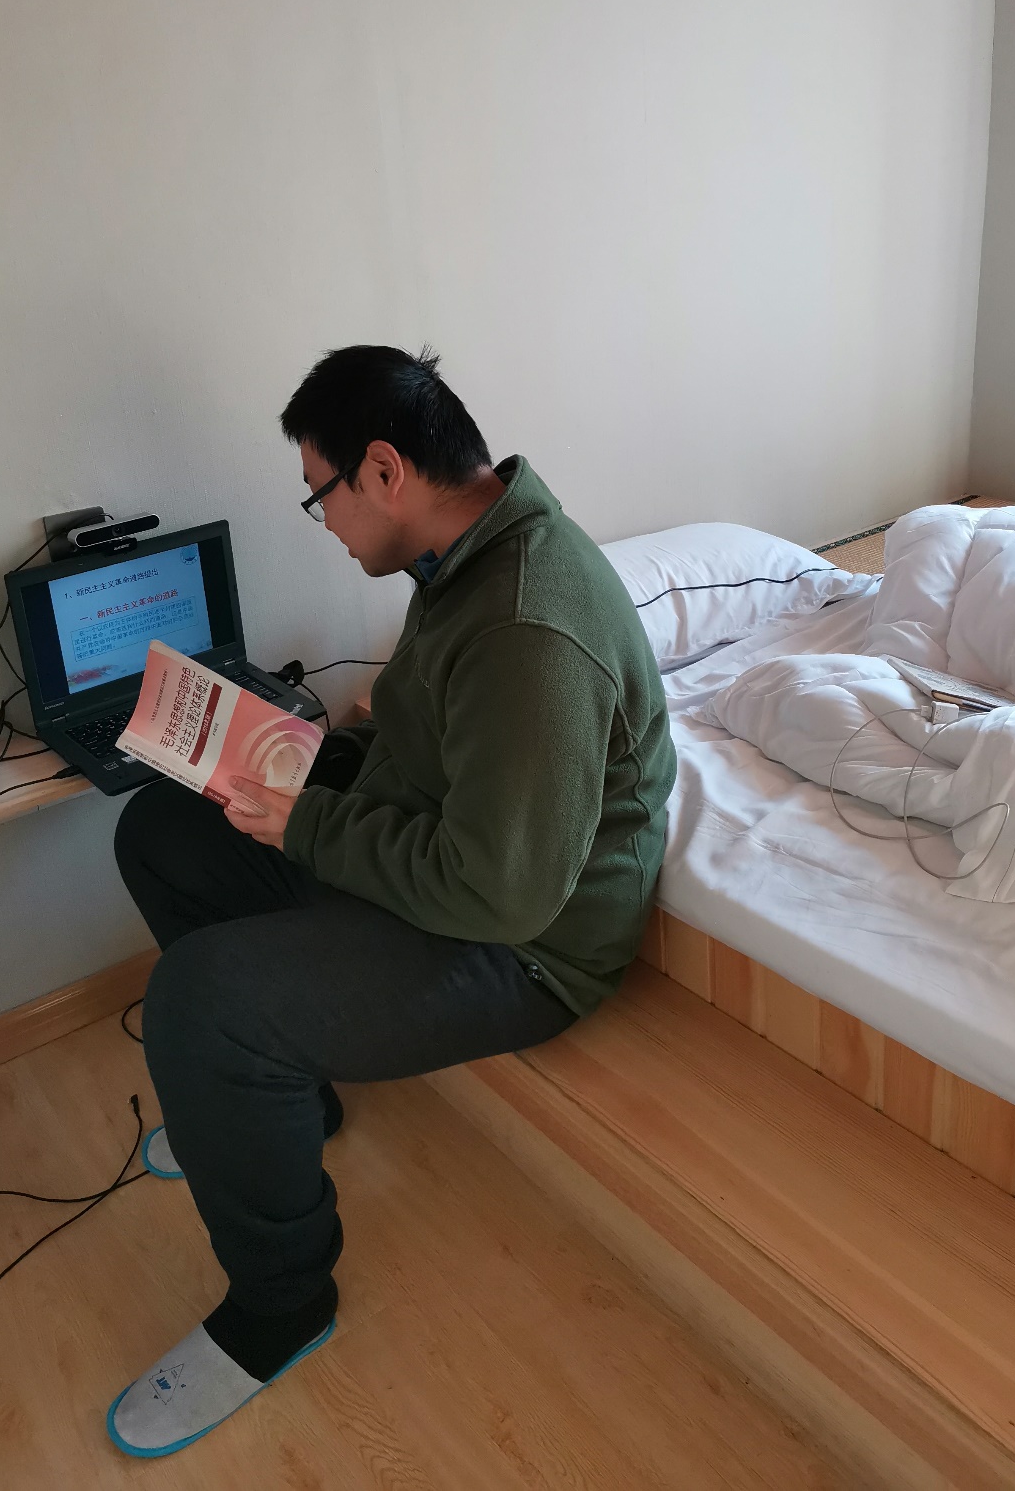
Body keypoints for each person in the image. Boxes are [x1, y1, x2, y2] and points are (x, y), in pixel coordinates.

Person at [105, 345, 677, 1457]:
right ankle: (292, 1106)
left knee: (201, 1005)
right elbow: (436, 744)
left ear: (383, 471)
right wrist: (309, 764)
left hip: (524, 944)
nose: (321, 521)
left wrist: (310, 825)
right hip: (442, 855)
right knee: (161, 833)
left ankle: (281, 1305)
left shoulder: (526, 624)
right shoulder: (466, 557)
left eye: (317, 494)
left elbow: (501, 892)